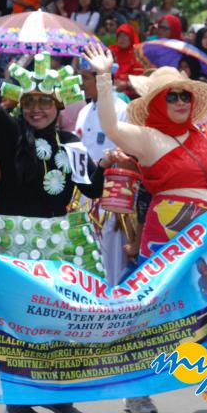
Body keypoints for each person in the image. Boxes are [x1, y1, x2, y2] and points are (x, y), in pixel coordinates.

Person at [82, 44, 207, 413]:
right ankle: (135, 391)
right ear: (156, 103)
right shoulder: (148, 137)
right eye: (173, 96)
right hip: (167, 236)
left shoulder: (200, 134)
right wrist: (104, 78)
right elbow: (111, 126)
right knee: (159, 313)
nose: (182, 101)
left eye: (186, 94)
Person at [0, 30, 113, 413]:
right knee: (18, 319)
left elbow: (92, 188)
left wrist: (105, 164)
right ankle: (17, 394)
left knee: (58, 322)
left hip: (58, 243)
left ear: (58, 104)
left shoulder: (71, 142)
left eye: (45, 102)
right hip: (14, 239)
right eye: (30, 102)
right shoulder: (10, 134)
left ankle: (58, 393)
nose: (37, 110)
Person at [75, 62, 130, 284]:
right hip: (83, 198)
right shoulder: (84, 111)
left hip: (112, 199)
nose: (81, 83)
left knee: (112, 257)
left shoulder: (121, 110)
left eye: (86, 77)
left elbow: (126, 154)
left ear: (100, 80)